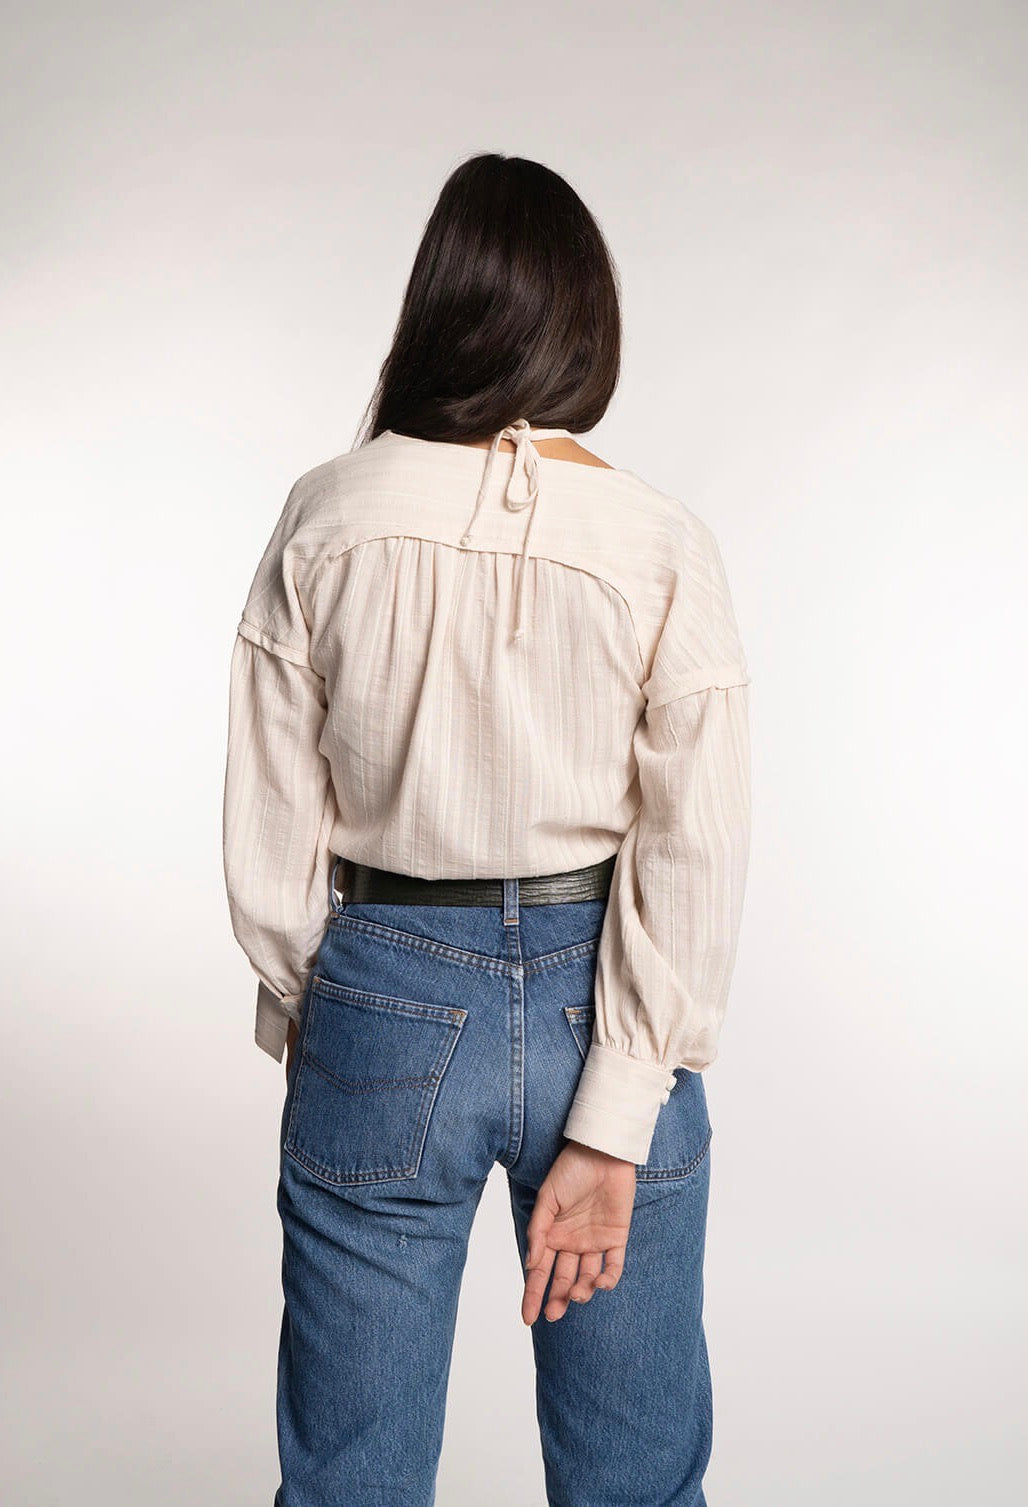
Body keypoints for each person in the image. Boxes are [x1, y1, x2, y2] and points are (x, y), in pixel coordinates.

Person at [222, 151, 752, 1507]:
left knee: (348, 1481)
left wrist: (323, 1013)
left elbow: (273, 821)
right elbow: (694, 847)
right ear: (586, 326)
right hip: (604, 996)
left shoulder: (329, 512)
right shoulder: (659, 541)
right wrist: (618, 1109)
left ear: (436, 310)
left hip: (384, 980)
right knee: (636, 1481)